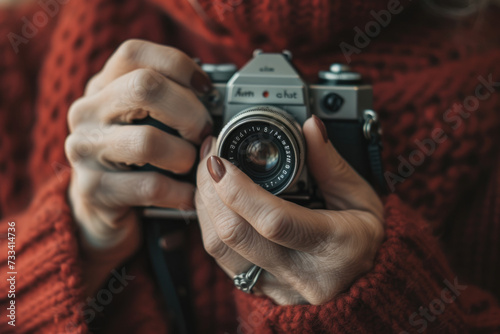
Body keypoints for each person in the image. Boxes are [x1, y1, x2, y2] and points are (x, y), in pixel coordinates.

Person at [0, 0, 499, 333]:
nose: (259, 155)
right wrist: (63, 250)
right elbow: (13, 303)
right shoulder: (16, 53)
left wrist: (381, 302)